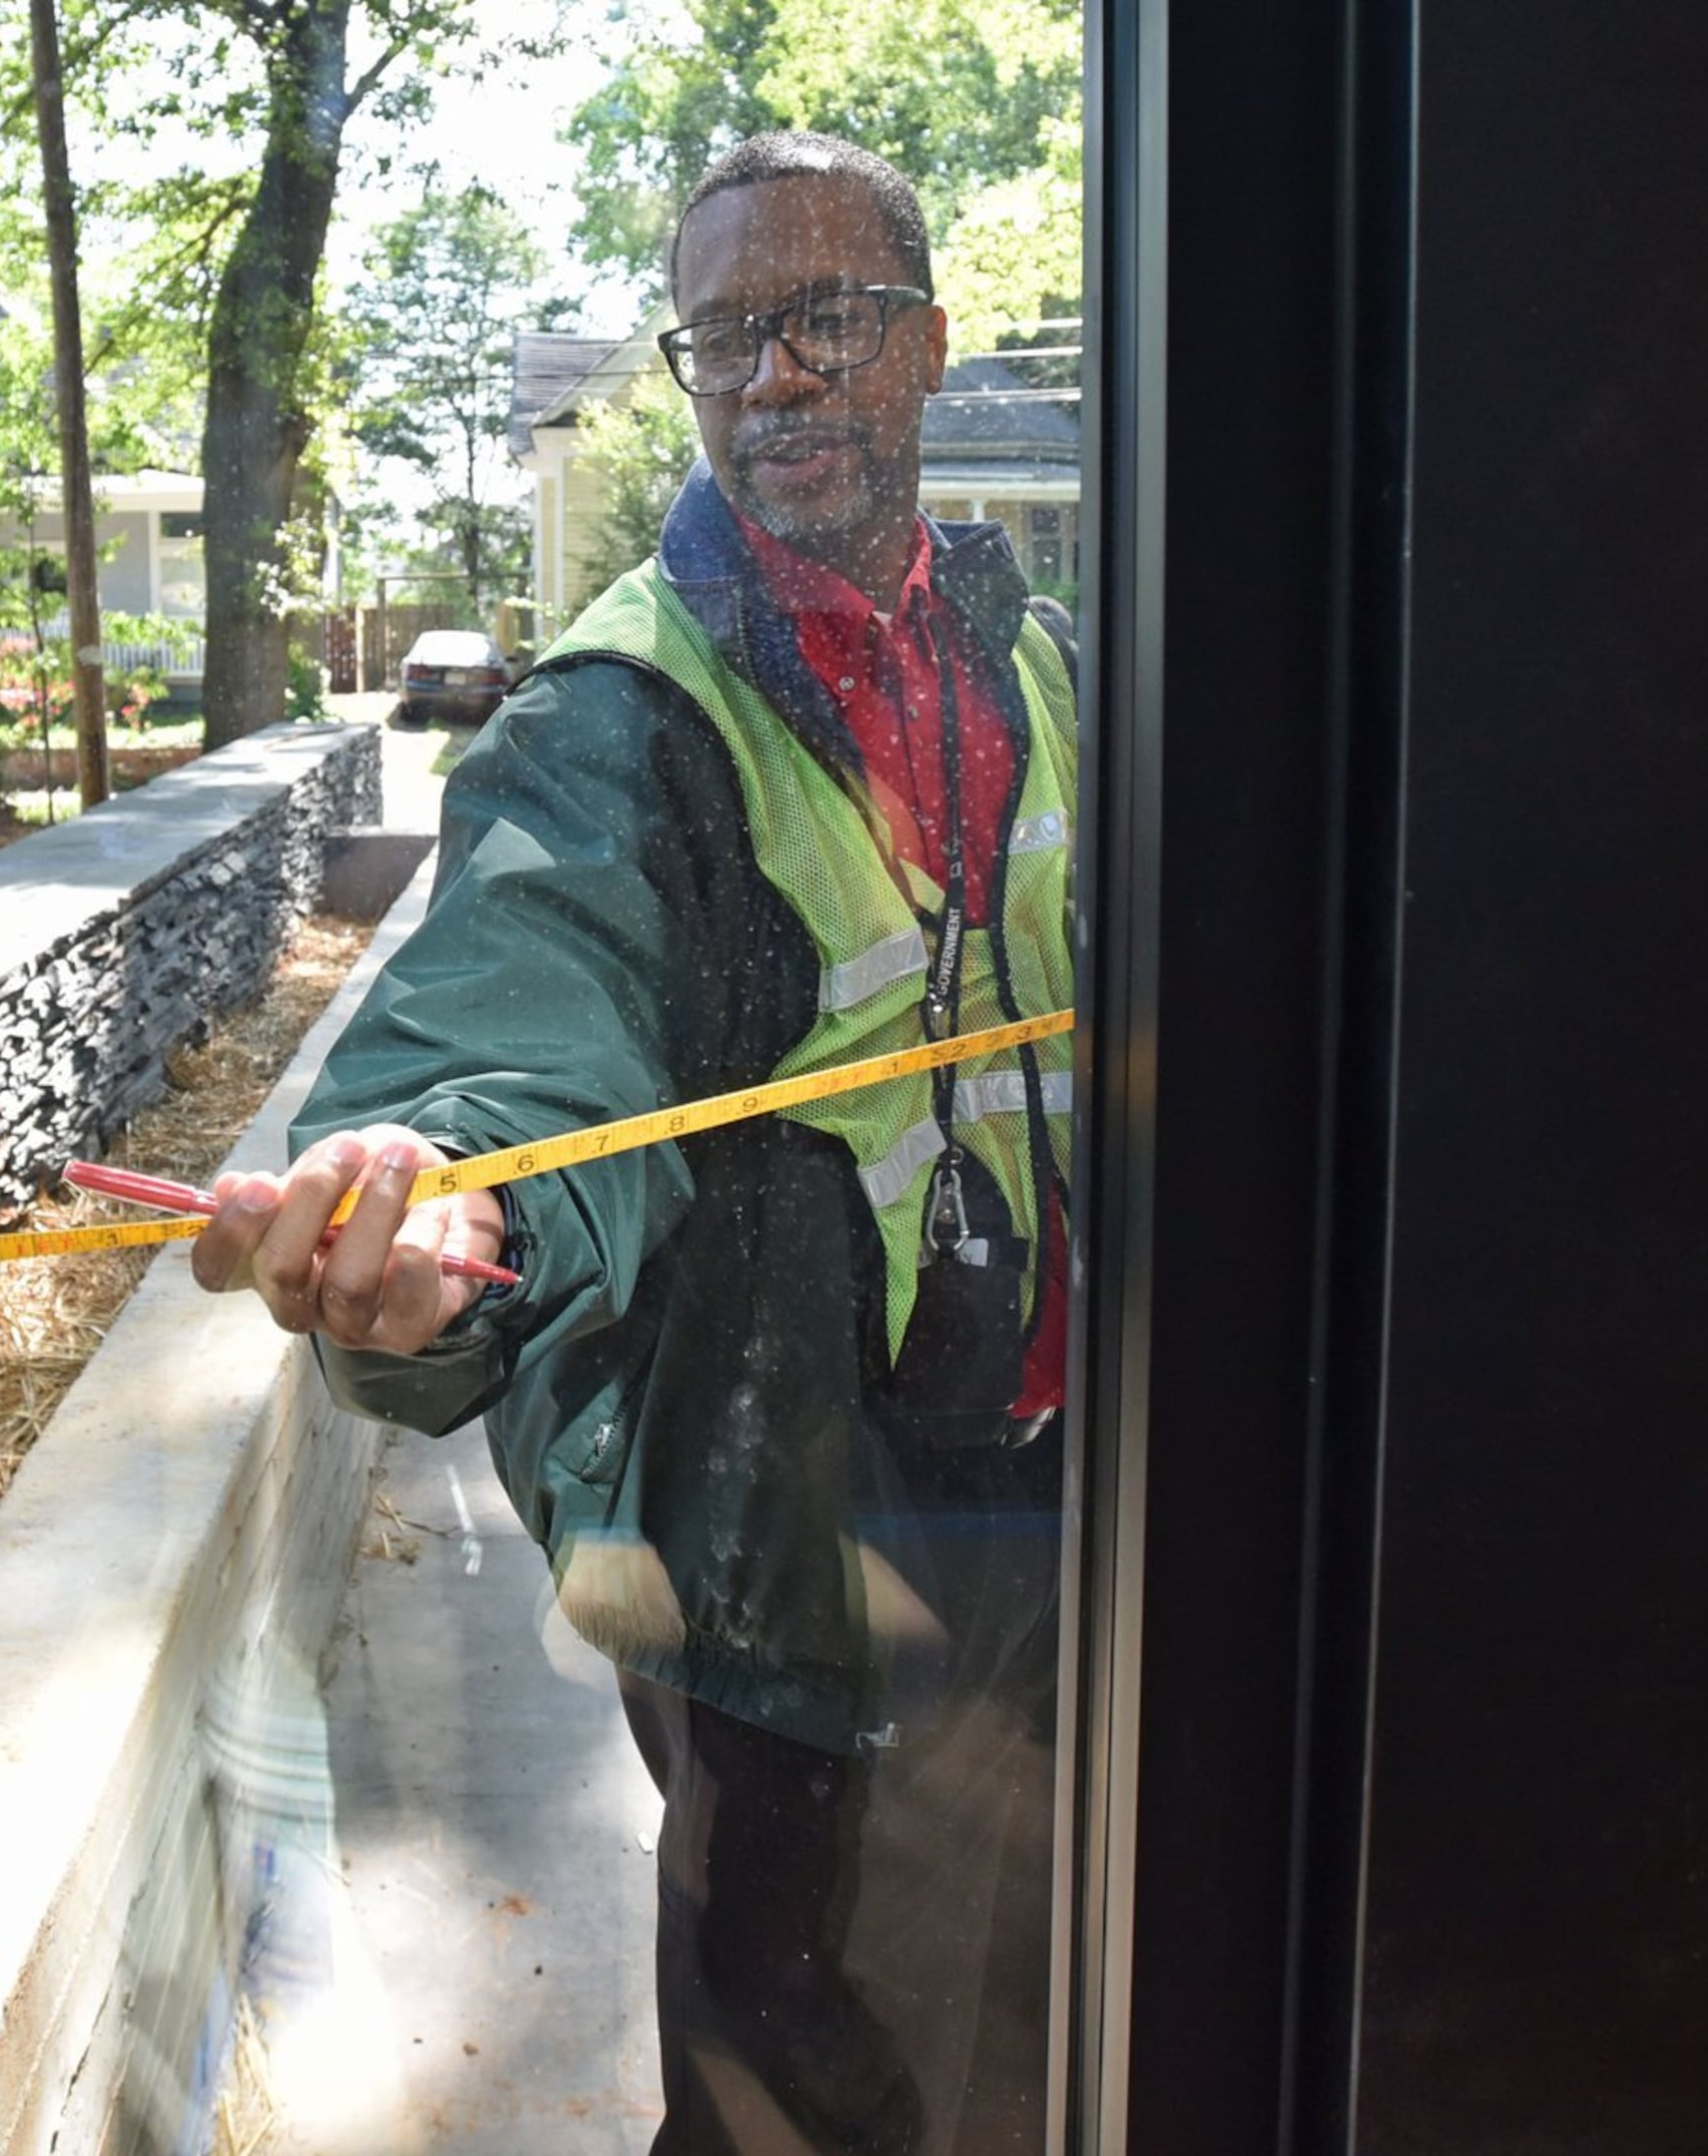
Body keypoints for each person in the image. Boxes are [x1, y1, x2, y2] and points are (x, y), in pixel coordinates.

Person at [191, 129, 1076, 2156]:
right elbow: (518, 1021)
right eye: (726, 337)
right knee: (799, 2071)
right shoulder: (614, 720)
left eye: (827, 317)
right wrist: (444, 1210)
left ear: (930, 346)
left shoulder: (1026, 657)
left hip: (1036, 1474)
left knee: (1025, 2015)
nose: (776, 374)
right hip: (768, 1535)